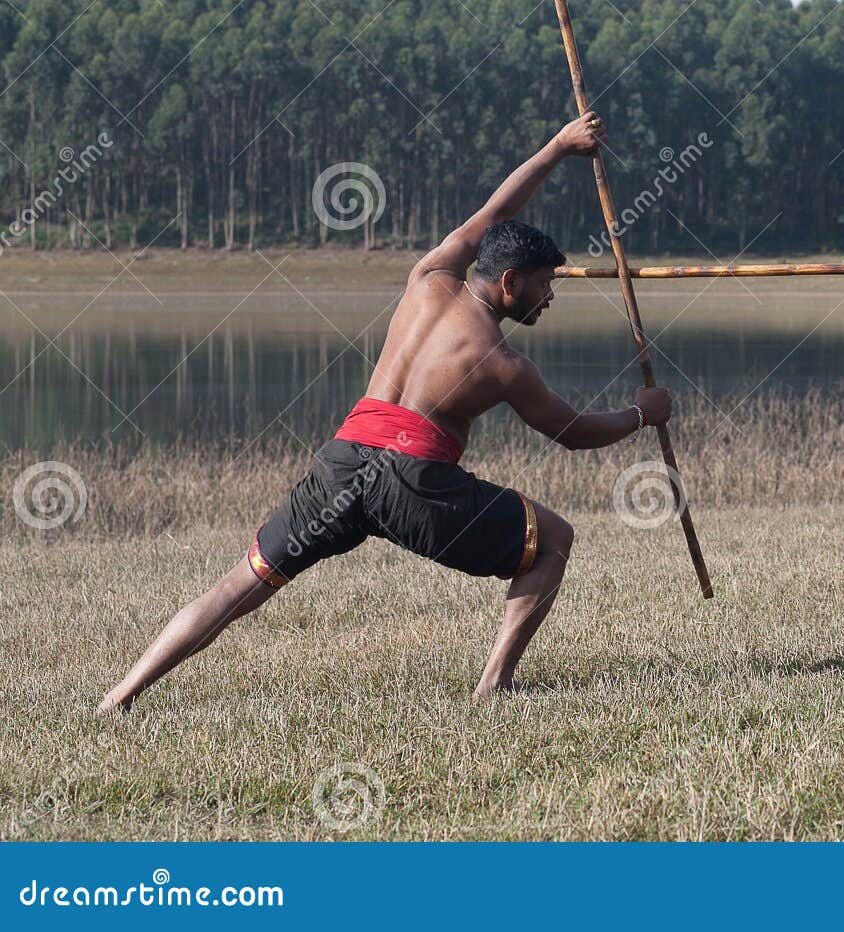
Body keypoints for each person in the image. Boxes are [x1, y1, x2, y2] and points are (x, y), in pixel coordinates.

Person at [100, 112, 670, 711]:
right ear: (509, 282)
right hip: (414, 485)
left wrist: (556, 147)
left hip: (341, 466)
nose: (551, 296)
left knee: (241, 582)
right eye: (544, 285)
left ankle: (121, 694)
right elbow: (574, 433)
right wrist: (640, 414)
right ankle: (494, 685)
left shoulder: (429, 273)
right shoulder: (503, 363)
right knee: (553, 540)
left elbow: (494, 216)